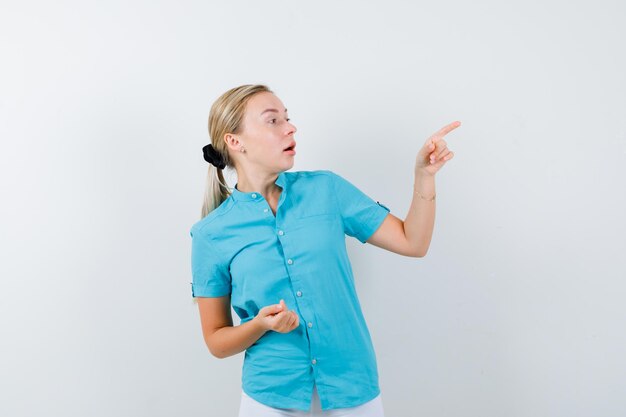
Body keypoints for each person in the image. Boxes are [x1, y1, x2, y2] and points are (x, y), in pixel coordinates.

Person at [189, 84, 460, 417]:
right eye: (272, 121)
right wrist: (261, 325)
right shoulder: (210, 234)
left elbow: (412, 242)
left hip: (352, 385)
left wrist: (424, 176)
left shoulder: (326, 189)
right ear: (235, 141)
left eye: (287, 118)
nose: (290, 127)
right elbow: (216, 340)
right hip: (271, 396)